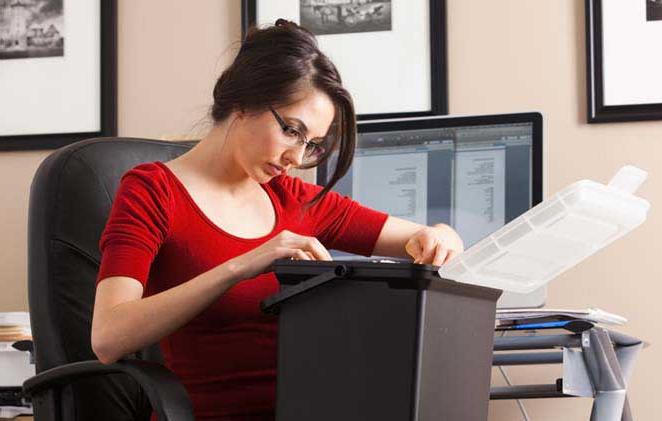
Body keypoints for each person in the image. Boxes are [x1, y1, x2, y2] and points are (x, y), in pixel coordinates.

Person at [91, 19, 464, 420]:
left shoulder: (296, 199)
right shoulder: (153, 191)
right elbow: (109, 337)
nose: (297, 159)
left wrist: (441, 235)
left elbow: (420, 240)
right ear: (243, 102)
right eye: (291, 131)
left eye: (312, 145)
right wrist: (239, 267)